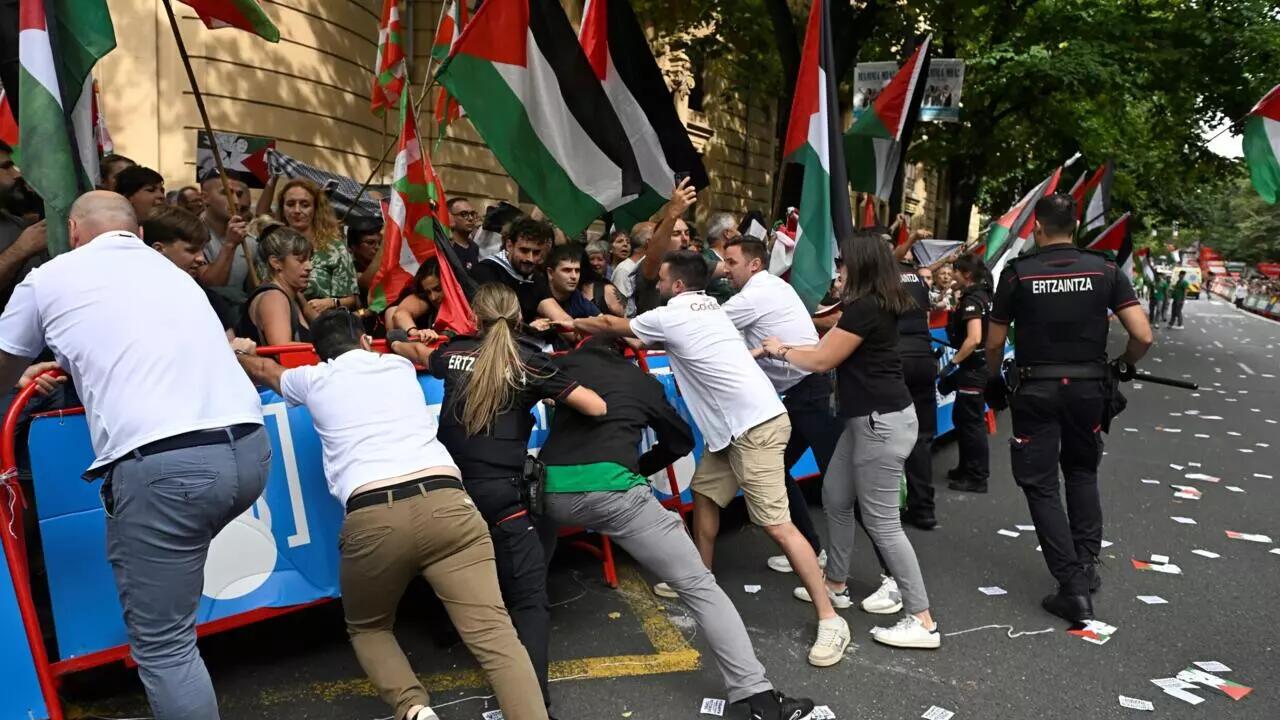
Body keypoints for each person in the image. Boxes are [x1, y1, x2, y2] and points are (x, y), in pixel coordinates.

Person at [0, 191, 269, 720]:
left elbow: (3, 369)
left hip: (168, 465)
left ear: (74, 232)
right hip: (249, 452)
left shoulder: (50, 277)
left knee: (164, 646)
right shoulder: (176, 274)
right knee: (174, 624)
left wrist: (26, 374)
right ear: (139, 235)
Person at [230, 311, 548, 720]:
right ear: (364, 341)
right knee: (495, 634)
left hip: (374, 515)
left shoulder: (314, 378)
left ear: (318, 353)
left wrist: (239, 353)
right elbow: (403, 344)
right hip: (449, 502)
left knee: (370, 628)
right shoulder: (397, 367)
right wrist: (401, 334)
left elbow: (266, 369)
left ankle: (414, 708)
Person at [559, 250, 851, 668]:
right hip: (735, 429)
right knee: (705, 496)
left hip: (754, 426)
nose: (656, 286)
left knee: (777, 525)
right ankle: (701, 579)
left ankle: (829, 617)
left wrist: (566, 323)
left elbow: (608, 324)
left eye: (660, 280)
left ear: (677, 286)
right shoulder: (711, 307)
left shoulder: (674, 313)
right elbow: (643, 339)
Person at [539, 337, 816, 720]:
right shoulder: (641, 382)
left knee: (527, 593)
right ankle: (758, 698)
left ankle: (526, 698)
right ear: (625, 356)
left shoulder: (563, 368)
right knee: (700, 586)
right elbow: (680, 440)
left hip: (547, 491)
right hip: (617, 493)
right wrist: (640, 467)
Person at [390, 283, 606, 711]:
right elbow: (595, 407)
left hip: (448, 490)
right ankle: (535, 701)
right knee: (529, 598)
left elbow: (404, 349)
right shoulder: (530, 362)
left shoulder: (453, 353)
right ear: (517, 318)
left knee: (444, 564)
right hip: (501, 496)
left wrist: (415, 338)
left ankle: (445, 629)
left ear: (475, 317)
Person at [760, 232, 941, 651]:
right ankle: (836, 582)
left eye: (841, 263)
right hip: (868, 419)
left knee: (882, 522)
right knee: (836, 496)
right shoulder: (876, 303)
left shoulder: (865, 307)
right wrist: (790, 345)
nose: (836, 269)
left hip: (880, 423)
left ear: (857, 265)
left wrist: (779, 351)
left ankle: (922, 618)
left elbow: (822, 358)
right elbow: (828, 343)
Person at [985, 193, 1152, 623]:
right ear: (1075, 226)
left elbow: (994, 341)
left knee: (1040, 484)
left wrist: (993, 376)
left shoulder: (1019, 275)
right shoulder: (1105, 269)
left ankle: (1072, 587)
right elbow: (1143, 336)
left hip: (1035, 389)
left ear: (1037, 228)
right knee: (1081, 472)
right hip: (1088, 390)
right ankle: (1086, 566)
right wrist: (1124, 365)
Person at [718, 236, 829, 569]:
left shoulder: (756, 295)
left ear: (755, 264)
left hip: (812, 394)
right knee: (778, 468)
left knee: (840, 483)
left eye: (732, 262)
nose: (725, 270)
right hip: (803, 394)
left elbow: (704, 327)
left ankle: (890, 577)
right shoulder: (772, 287)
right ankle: (812, 551)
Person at [896, 242, 939, 529]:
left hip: (894, 360)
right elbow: (925, 317)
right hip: (923, 357)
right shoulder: (916, 278)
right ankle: (924, 508)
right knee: (921, 437)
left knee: (883, 435)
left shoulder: (877, 277)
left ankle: (881, 508)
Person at [942, 253, 993, 494]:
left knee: (971, 423)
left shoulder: (974, 300)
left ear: (967, 275)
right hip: (977, 367)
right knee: (963, 419)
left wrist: (952, 363)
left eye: (955, 271)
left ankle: (976, 476)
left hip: (973, 368)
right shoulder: (982, 295)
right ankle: (965, 468)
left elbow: (973, 339)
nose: (951, 275)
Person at [142, 206, 236, 334]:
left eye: (202, 250)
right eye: (191, 250)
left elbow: (231, 343)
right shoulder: (136, 299)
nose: (201, 259)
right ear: (159, 250)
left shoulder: (209, 300)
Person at [276, 178, 358, 314]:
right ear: (282, 208)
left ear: (315, 208)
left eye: (304, 204)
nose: (297, 210)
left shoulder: (335, 248)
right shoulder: (273, 245)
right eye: (290, 204)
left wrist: (331, 302)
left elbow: (351, 299)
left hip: (326, 322)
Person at [470, 215, 555, 323]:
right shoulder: (486, 271)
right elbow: (497, 320)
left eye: (536, 252)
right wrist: (529, 329)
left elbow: (558, 315)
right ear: (509, 245)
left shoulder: (536, 277)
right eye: (524, 250)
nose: (530, 259)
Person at [632, 179, 697, 315]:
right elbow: (654, 257)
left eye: (687, 233)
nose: (685, 238)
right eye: (676, 234)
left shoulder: (693, 265)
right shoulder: (651, 266)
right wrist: (672, 213)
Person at [240, 223, 313, 345]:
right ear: (276, 262)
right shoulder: (274, 298)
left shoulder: (296, 297)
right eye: (301, 260)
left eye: (309, 260)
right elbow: (283, 350)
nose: (309, 267)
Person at [197, 172, 254, 313]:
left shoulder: (250, 242)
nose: (235, 201)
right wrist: (230, 245)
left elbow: (252, 290)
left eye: (239, 195)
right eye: (225, 193)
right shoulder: (190, 235)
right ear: (205, 197)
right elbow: (212, 284)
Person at [387, 259, 443, 335]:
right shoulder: (425, 300)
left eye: (438, 289)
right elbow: (399, 315)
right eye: (428, 292)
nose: (433, 297)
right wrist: (416, 334)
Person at [701, 212, 738, 304]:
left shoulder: (734, 257)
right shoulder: (705, 259)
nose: (739, 234)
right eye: (736, 229)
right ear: (727, 233)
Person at [611, 227, 645, 309]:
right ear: (610, 248)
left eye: (628, 242)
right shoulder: (622, 270)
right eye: (620, 241)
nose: (625, 244)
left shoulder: (634, 267)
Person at [447, 197, 481, 273]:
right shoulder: (446, 249)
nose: (470, 218)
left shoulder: (474, 247)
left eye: (472, 214)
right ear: (450, 218)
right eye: (463, 214)